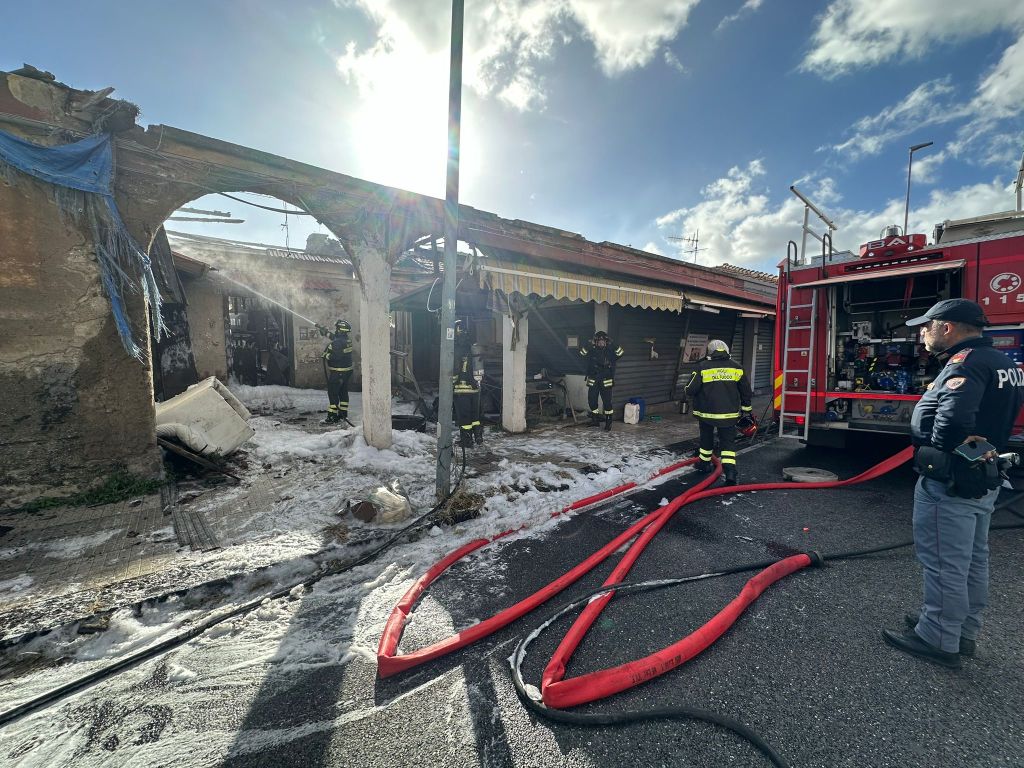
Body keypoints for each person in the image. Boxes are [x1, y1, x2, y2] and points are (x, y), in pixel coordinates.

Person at [883, 299, 1024, 668]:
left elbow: (955, 419)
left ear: (947, 327)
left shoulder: (967, 364)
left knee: (944, 560)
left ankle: (938, 637)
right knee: (973, 558)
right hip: (983, 478)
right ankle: (961, 630)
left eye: (927, 326)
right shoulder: (1003, 363)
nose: (922, 332)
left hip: (952, 481)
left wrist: (938, 450)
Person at [682, 339, 752, 485]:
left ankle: (704, 464)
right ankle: (731, 472)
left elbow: (690, 389)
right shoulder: (737, 367)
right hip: (729, 415)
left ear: (710, 351)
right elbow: (746, 390)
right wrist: (746, 409)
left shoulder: (702, 367)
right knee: (728, 445)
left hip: (706, 414)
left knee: (706, 440)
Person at [578, 331, 624, 431]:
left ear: (606, 342)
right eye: (599, 341)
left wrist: (613, 344)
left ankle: (608, 422)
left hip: (606, 381)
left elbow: (621, 352)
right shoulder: (592, 350)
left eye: (603, 341)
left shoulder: (610, 351)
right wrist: (589, 344)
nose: (601, 343)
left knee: (607, 403)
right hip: (593, 380)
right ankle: (595, 420)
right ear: (596, 342)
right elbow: (581, 353)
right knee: (592, 401)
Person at [453, 320, 484, 448]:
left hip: (462, 389)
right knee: (475, 415)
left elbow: (455, 369)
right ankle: (478, 436)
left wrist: (452, 383)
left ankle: (466, 441)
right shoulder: (472, 346)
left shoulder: (457, 348)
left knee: (464, 417)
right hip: (475, 388)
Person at [317, 319, 353, 424]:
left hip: (338, 373)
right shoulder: (346, 340)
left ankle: (332, 417)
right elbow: (336, 339)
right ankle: (343, 414)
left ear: (341, 330)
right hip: (346, 372)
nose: (336, 330)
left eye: (337, 329)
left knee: (333, 393)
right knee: (343, 392)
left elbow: (335, 357)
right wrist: (326, 332)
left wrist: (325, 355)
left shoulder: (337, 343)